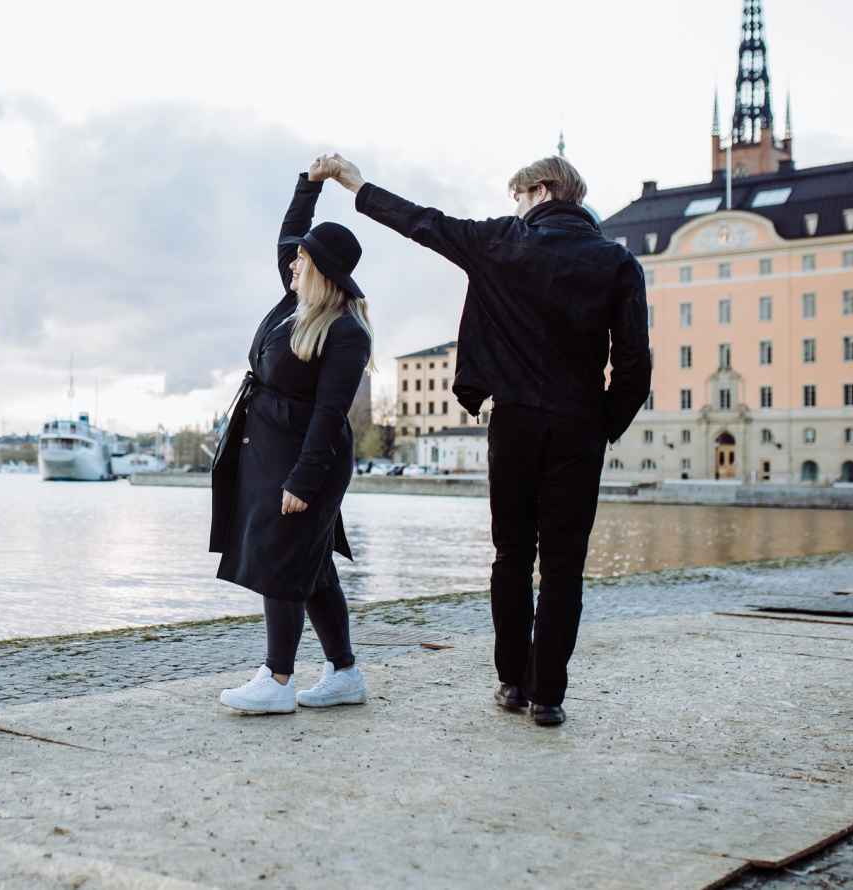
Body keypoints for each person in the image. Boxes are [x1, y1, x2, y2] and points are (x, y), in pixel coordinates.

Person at [322, 153, 651, 726]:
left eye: (519, 197)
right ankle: (548, 695)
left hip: (515, 420)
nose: (516, 208)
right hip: (579, 424)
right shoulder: (617, 263)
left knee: (512, 555)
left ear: (542, 191)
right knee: (565, 566)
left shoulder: (503, 243)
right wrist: (603, 424)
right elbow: (633, 365)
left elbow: (423, 223)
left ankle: (512, 683)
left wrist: (356, 184)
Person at [210, 157, 375, 714]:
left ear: (321, 269)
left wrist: (303, 480)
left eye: (302, 259)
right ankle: (345, 673)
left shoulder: (345, 331)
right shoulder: (294, 303)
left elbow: (331, 415)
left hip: (311, 459)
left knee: (283, 562)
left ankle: (277, 680)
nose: (292, 263)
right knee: (313, 565)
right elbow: (288, 233)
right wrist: (311, 184)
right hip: (269, 449)